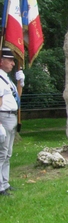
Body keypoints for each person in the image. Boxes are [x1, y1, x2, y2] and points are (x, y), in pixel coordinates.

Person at [0, 47, 24, 196]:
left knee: (7, 153)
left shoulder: (6, 79)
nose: (13, 64)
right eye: (10, 60)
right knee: (1, 153)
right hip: (3, 117)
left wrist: (20, 82)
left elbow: (17, 99)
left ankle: (5, 182)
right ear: (1, 61)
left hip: (12, 117)